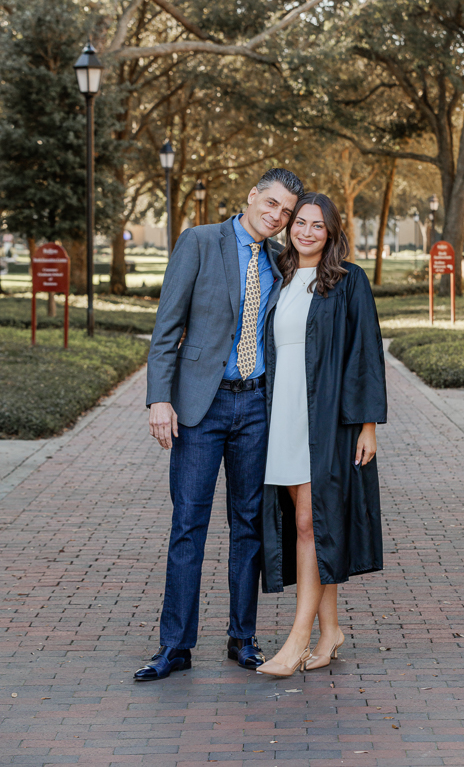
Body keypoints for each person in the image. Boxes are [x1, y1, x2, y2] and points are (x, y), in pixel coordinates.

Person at [134, 168, 303, 682]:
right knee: (188, 524)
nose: (276, 216)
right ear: (252, 197)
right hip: (199, 409)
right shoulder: (200, 241)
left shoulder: (280, 261)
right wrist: (159, 398)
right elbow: (167, 327)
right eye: (270, 204)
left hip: (256, 409)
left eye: (285, 213)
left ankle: (242, 637)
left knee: (248, 525)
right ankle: (176, 646)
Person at [257, 192, 387, 677]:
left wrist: (368, 424)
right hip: (282, 418)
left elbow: (366, 353)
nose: (307, 232)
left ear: (331, 232)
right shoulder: (282, 277)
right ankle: (330, 630)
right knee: (313, 527)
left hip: (327, 419)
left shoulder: (349, 282)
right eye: (300, 223)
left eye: (318, 225)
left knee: (311, 523)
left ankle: (296, 640)